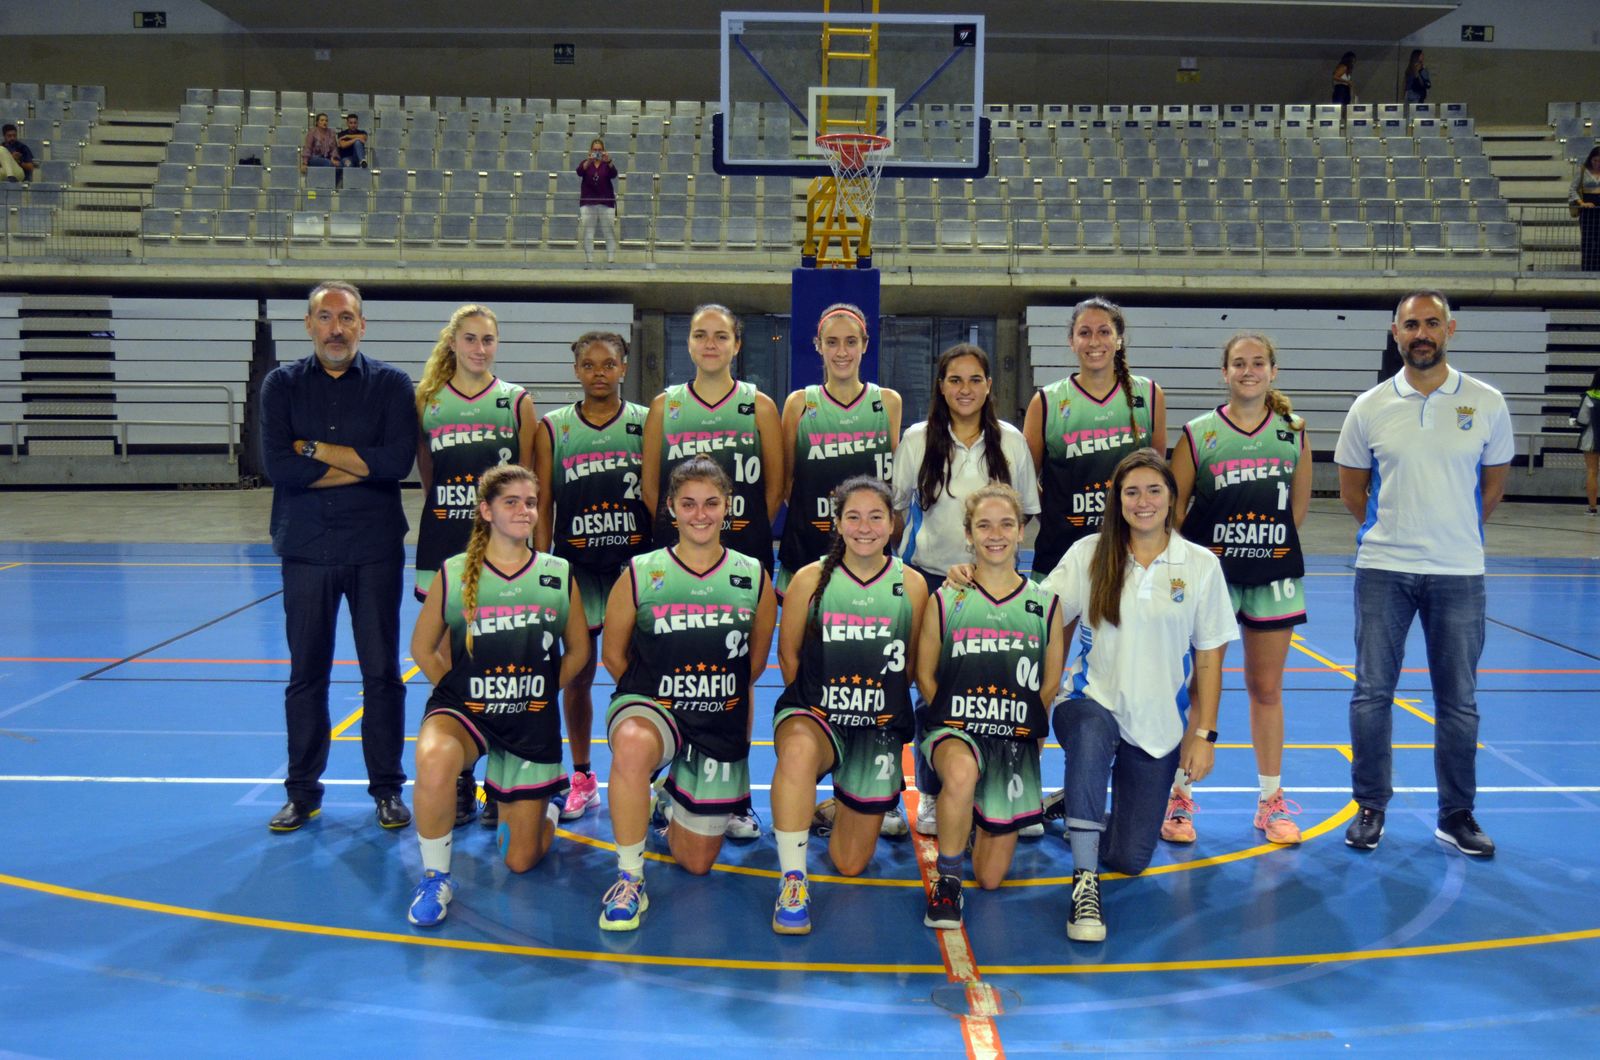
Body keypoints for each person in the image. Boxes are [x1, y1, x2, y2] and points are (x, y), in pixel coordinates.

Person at [1334, 290, 1513, 857]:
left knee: (1458, 700)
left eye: (1431, 323)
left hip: (1459, 571)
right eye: (1411, 324)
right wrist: (1398, 532)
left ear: (1450, 329)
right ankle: (1370, 807)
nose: (1422, 333)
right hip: (1384, 568)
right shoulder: (1369, 406)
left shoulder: (1487, 402)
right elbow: (1351, 491)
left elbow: (1492, 486)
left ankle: (1456, 814)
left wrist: (1451, 530)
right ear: (1395, 333)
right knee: (1371, 695)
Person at [1041, 448, 1238, 942]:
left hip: (1157, 727)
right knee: (1090, 736)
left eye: (1154, 490)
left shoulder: (1199, 565)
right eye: (1132, 492)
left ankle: (1072, 805)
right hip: (1089, 701)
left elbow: (1211, 658)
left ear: (1172, 498)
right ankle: (1084, 882)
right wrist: (970, 579)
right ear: (1117, 499)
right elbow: (1036, 612)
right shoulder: (1089, 553)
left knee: (1129, 858)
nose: (1143, 501)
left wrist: (1203, 734)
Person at [258, 281, 418, 832]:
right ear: (309, 325)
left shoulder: (393, 385)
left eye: (346, 317)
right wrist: (358, 464)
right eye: (325, 317)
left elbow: (396, 461)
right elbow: (280, 468)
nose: (336, 328)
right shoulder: (280, 385)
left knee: (382, 675)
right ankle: (302, 793)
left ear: (362, 326)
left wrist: (315, 451)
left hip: (374, 550)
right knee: (307, 676)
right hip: (305, 551)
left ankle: (387, 791)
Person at [404, 464, 591, 927]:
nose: (524, 510)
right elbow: (422, 647)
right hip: (469, 712)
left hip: (529, 720)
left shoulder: (556, 573)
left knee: (520, 860)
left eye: (531, 502)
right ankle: (435, 876)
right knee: (433, 758)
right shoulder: (453, 573)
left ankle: (547, 803)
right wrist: (458, 690)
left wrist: (542, 691)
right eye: (512, 502)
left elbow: (580, 649)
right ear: (486, 510)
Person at [597, 456, 778, 931]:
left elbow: (752, 665)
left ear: (729, 508)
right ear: (671, 509)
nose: (701, 514)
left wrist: (710, 701)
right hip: (655, 708)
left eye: (712, 503)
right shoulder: (640, 572)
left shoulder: (753, 575)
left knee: (696, 862)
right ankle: (630, 878)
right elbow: (614, 657)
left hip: (716, 720)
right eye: (689, 504)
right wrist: (658, 702)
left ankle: (672, 793)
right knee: (635, 745)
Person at [1163, 333, 1312, 846]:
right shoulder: (1199, 433)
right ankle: (1179, 798)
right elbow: (1173, 510)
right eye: (1238, 364)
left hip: (1273, 574)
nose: (1248, 371)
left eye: (1257, 363)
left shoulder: (1292, 432)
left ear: (1273, 371)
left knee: (1266, 689)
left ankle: (1270, 801)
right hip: (1213, 577)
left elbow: (1296, 508)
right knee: (1202, 687)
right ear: (1224, 373)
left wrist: (1260, 546)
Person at [892, 343, 1040, 837]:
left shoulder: (1011, 441)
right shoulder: (917, 439)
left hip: (995, 585)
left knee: (993, 690)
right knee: (930, 690)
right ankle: (933, 793)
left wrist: (997, 567)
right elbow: (896, 509)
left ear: (989, 386)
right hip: (933, 579)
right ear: (941, 386)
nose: (965, 389)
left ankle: (999, 788)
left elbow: (1025, 514)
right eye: (954, 380)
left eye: (975, 379)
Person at [769, 476, 928, 934]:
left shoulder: (911, 585)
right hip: (816, 715)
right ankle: (793, 881)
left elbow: (914, 662)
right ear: (836, 523)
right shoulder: (810, 578)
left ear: (892, 524)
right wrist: (814, 707)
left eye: (876, 516)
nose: (865, 527)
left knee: (850, 863)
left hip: (876, 727)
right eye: (853, 516)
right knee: (798, 754)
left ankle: (833, 806)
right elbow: (789, 653)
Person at [915, 483, 1064, 929]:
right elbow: (925, 674)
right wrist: (951, 719)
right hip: (955, 728)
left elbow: (1050, 680)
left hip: (1013, 735)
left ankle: (976, 814)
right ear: (968, 535)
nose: (995, 534)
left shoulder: (1044, 603)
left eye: (1006, 524)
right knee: (960, 772)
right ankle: (948, 880)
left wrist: (1026, 733)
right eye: (984, 525)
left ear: (1022, 532)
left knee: (993, 878)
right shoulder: (947, 597)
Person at [413, 304, 536, 830]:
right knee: (444, 658)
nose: (480, 348)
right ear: (454, 342)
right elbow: (427, 471)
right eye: (470, 338)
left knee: (506, 659)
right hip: (444, 541)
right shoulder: (428, 401)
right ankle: (462, 770)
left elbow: (530, 481)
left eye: (488, 339)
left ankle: (502, 773)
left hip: (505, 549)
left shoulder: (515, 401)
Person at [534, 331, 650, 823]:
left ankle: (656, 778)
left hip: (634, 569)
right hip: (577, 568)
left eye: (608, 364)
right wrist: (542, 567)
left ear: (624, 368)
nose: (598, 373)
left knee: (647, 678)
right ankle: (582, 776)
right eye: (588, 364)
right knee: (577, 676)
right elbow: (543, 503)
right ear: (576, 369)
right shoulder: (554, 428)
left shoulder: (648, 423)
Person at [1026, 296, 1167, 583]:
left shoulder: (1149, 396)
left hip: (1129, 544)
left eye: (1104, 331)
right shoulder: (1047, 401)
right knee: (1051, 628)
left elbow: (1156, 478)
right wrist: (1058, 511)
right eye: (1084, 332)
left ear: (1118, 340)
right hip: (1061, 545)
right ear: (1071, 341)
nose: (1094, 341)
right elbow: (1027, 482)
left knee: (1125, 629)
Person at [776, 302, 902, 597]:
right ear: (818, 346)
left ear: (865, 345)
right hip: (810, 545)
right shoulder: (799, 404)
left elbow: (891, 478)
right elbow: (788, 484)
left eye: (851, 342)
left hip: (869, 545)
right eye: (832, 342)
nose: (842, 352)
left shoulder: (888, 402)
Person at [577, 137, 618, 265]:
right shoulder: (586, 163)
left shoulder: (607, 163)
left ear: (604, 151)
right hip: (588, 202)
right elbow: (579, 172)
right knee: (588, 232)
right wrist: (588, 161)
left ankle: (611, 259)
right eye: (595, 150)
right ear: (590, 150)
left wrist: (609, 160)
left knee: (608, 231)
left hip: (606, 202)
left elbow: (614, 174)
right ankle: (589, 259)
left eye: (600, 150)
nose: (597, 152)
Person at [1570, 369, 1600, 515]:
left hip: (1591, 439)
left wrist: (1574, 421)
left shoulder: (1590, 395)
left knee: (1592, 472)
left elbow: (1583, 419)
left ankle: (1592, 508)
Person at [1569, 146, 1600, 272]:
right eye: (1595, 161)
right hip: (1587, 211)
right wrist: (1581, 203)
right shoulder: (1582, 170)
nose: (1597, 164)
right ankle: (1587, 269)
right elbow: (1572, 189)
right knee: (1587, 240)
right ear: (1590, 159)